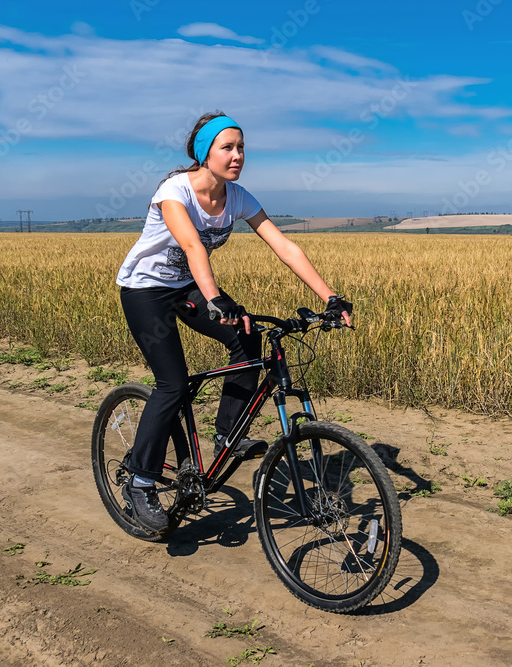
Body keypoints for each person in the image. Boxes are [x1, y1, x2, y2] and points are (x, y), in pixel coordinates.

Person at [115, 111, 352, 533]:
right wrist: (215, 298)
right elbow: (191, 245)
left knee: (247, 335)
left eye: (241, 147)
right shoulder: (175, 191)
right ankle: (140, 481)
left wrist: (329, 296)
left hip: (189, 287)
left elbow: (284, 246)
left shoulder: (238, 197)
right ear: (205, 153)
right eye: (228, 147)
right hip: (146, 291)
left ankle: (227, 433)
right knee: (172, 382)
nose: (238, 155)